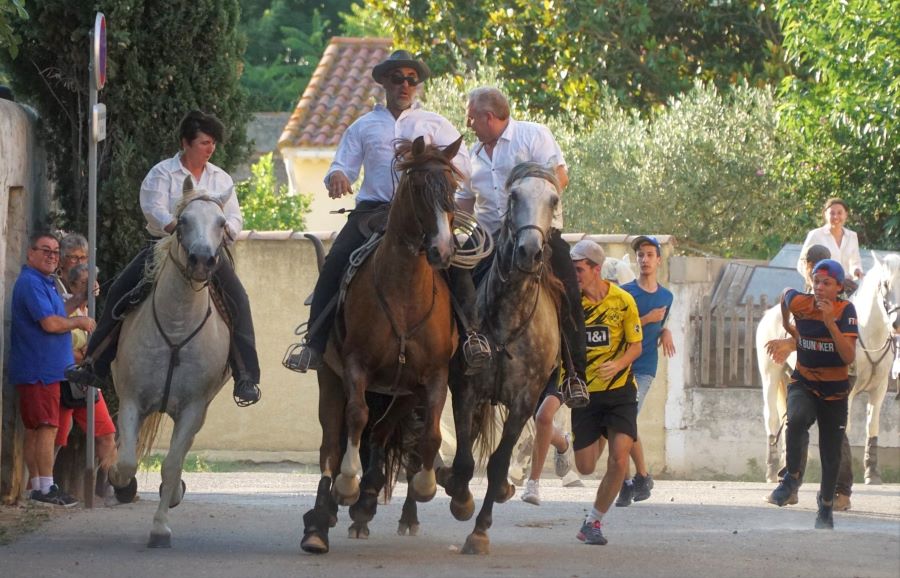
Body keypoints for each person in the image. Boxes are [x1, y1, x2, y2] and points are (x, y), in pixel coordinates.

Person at [287, 50, 476, 372]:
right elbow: (341, 165)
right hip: (372, 213)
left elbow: (462, 164)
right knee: (336, 262)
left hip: (424, 214)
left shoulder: (434, 123)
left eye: (411, 79)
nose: (404, 85)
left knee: (456, 264)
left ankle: (472, 338)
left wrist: (432, 162)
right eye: (397, 79)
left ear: (417, 85)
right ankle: (313, 345)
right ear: (384, 83)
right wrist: (337, 176)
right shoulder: (363, 126)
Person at [66, 111, 261, 406]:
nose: (210, 149)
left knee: (239, 300)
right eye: (204, 142)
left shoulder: (220, 178)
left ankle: (246, 376)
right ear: (186, 143)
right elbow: (152, 208)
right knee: (121, 290)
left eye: (213, 144)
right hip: (163, 246)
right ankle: (95, 363)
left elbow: (234, 215)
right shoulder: (162, 173)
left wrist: (227, 231)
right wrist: (175, 228)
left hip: (208, 252)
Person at [456, 86, 587, 393]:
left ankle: (575, 376)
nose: (468, 124)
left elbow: (560, 177)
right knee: (453, 277)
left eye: (471, 117)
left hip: (538, 234)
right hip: (488, 238)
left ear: (488, 117)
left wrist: (534, 207)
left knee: (569, 293)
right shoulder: (471, 155)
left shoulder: (532, 135)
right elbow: (464, 202)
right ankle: (466, 349)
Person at [766, 259, 857, 530]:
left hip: (835, 391)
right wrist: (789, 328)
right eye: (816, 281)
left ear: (838, 287)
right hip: (804, 381)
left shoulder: (845, 310)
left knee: (831, 454)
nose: (819, 287)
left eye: (826, 283)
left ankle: (826, 506)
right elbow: (785, 296)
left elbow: (848, 356)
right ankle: (791, 479)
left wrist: (830, 323)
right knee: (795, 418)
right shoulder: (802, 302)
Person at [9, 232, 96, 506]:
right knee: (46, 427)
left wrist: (82, 296)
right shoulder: (31, 283)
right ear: (30, 253)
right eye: (45, 250)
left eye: (56, 252)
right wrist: (79, 324)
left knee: (39, 428)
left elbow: (60, 310)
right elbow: (50, 323)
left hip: (46, 370)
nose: (51, 256)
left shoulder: (44, 282)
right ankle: (45, 488)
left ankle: (38, 485)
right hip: (39, 369)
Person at [567, 240, 643, 545]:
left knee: (619, 459)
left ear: (596, 269)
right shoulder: (570, 304)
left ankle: (593, 522)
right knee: (585, 467)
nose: (574, 275)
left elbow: (636, 345)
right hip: (585, 394)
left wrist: (618, 364)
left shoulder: (624, 301)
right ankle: (601, 431)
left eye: (578, 269)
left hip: (621, 391)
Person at [613, 235, 674, 507]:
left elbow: (659, 325)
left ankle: (634, 480)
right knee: (619, 424)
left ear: (658, 260)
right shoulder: (625, 293)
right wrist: (647, 319)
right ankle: (636, 480)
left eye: (650, 254)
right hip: (619, 364)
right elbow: (616, 328)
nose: (644, 259)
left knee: (625, 420)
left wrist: (665, 330)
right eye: (640, 255)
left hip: (645, 367)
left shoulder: (666, 296)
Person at [55, 261, 118, 501]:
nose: (88, 289)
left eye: (91, 284)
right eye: (82, 284)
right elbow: (60, 346)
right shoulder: (65, 307)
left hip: (85, 382)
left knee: (106, 433)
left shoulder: (85, 311)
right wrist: (82, 356)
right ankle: (40, 486)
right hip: (65, 379)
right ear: (71, 285)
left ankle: (113, 483)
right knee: (58, 436)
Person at [798, 198, 863, 293]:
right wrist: (815, 281)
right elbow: (801, 264)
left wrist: (856, 270)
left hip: (847, 288)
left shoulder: (852, 236)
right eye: (832, 213)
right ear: (825, 215)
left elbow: (855, 262)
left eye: (840, 213)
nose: (836, 216)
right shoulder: (815, 235)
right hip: (822, 290)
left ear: (846, 215)